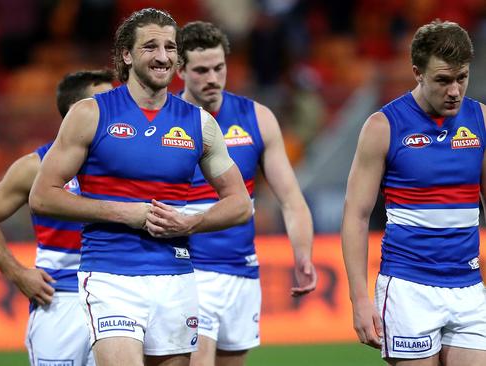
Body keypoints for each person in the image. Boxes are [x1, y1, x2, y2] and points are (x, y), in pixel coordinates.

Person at [28, 8, 252, 366]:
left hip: (176, 275)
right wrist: (124, 213)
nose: (163, 56)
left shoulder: (200, 124)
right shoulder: (90, 113)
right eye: (151, 46)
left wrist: (190, 223)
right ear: (127, 55)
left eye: (170, 47)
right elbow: (42, 196)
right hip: (110, 273)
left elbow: (240, 203)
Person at [341, 20, 486, 365]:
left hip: (468, 286)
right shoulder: (383, 126)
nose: (454, 90)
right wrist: (360, 299)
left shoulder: (480, 120)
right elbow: (356, 215)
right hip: (408, 288)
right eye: (443, 80)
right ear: (417, 72)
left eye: (461, 78)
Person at [176, 21, 317, 366]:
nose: (212, 78)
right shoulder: (167, 121)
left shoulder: (257, 118)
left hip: (242, 271)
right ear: (180, 69)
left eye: (219, 67)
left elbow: (290, 198)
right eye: (201, 70)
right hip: (189, 272)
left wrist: (303, 254)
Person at [0, 70, 114, 366]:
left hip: (117, 296)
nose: (115, 110)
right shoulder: (36, 166)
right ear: (76, 113)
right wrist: (17, 273)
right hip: (59, 300)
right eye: (104, 103)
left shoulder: (130, 162)